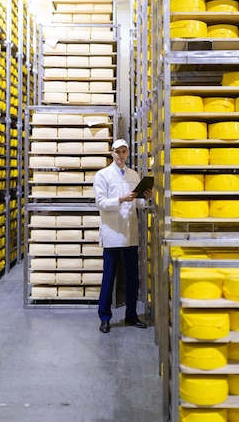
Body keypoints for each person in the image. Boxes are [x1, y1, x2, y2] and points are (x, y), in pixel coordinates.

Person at [93, 138, 153, 334]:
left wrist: (147, 198)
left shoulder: (134, 175)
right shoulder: (102, 175)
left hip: (129, 234)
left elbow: (138, 204)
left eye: (124, 152)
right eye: (118, 152)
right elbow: (101, 203)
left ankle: (131, 315)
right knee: (109, 277)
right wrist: (121, 199)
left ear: (127, 153)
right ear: (112, 153)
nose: (121, 155)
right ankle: (104, 317)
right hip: (112, 234)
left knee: (132, 279)